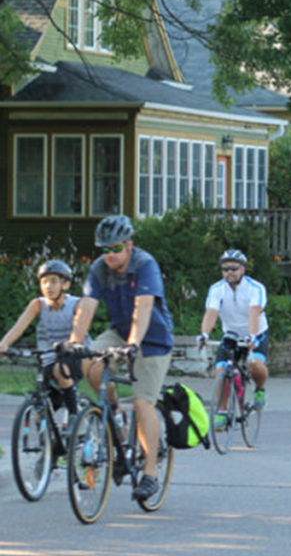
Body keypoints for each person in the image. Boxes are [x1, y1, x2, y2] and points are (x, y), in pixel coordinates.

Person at [67, 215, 175, 502]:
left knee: (143, 402)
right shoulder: (99, 269)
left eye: (115, 248)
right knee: (88, 361)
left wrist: (131, 346)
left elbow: (144, 308)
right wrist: (75, 342)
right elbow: (87, 306)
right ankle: (114, 411)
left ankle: (150, 473)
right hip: (120, 331)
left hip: (153, 340)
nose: (109, 255)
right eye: (104, 249)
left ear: (129, 245)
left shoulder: (144, 264)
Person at [0, 260, 91, 427]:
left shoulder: (77, 304)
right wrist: (4, 344)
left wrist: (68, 345)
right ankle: (50, 447)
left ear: (66, 284)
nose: (48, 286)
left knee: (60, 370)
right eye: (44, 282)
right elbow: (19, 327)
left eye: (54, 281)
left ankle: (73, 414)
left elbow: (79, 332)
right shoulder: (37, 304)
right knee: (41, 408)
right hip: (48, 358)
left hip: (75, 357)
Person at [198, 249, 270, 431]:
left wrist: (252, 336)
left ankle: (260, 389)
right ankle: (222, 412)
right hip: (231, 334)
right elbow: (211, 312)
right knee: (221, 371)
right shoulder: (216, 289)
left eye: (234, 268)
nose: (229, 272)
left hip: (255, 333)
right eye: (225, 269)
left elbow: (254, 311)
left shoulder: (256, 288)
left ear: (243, 270)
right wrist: (205, 334)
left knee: (254, 364)